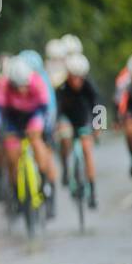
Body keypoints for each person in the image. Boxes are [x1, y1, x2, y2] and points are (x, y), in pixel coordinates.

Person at [0, 54, 59, 217]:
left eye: (24, 86)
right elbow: (0, 113)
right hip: (13, 117)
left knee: (36, 140)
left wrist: (46, 129)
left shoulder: (37, 81)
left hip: (34, 115)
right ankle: (16, 189)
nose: (22, 90)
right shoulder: (5, 85)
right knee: (11, 154)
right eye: (18, 87)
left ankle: (44, 180)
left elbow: (47, 110)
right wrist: (0, 131)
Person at [55, 52, 99, 208]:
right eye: (74, 77)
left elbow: (98, 106)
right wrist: (57, 125)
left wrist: (98, 127)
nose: (77, 81)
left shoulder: (88, 85)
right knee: (65, 137)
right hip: (67, 120)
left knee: (87, 149)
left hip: (83, 120)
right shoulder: (61, 88)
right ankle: (66, 169)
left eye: (80, 77)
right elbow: (57, 111)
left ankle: (92, 190)